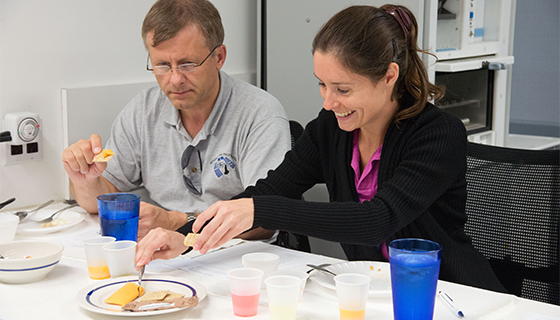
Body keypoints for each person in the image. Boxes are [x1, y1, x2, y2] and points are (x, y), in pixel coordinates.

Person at [135, 4, 507, 293]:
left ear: (389, 76)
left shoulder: (438, 134)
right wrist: (185, 236)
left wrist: (259, 210)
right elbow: (268, 191)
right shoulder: (332, 129)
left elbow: (377, 220)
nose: (329, 102)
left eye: (343, 89)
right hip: (371, 293)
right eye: (321, 85)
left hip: (451, 294)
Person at [61, 0, 290, 241]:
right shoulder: (143, 111)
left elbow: (266, 220)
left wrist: (176, 223)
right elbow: (102, 200)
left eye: (187, 64)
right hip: (165, 250)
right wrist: (85, 180)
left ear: (219, 57)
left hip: (239, 256)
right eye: (162, 65)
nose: (175, 79)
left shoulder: (259, 114)